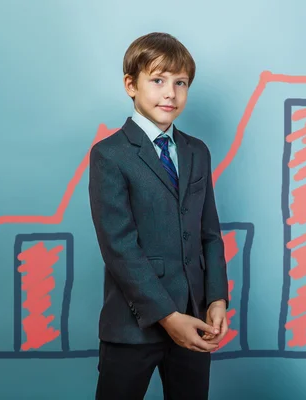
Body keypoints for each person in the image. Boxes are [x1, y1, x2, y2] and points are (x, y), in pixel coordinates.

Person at [88, 32, 229, 400]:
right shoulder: (110, 154)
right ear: (130, 85)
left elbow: (209, 234)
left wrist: (216, 299)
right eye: (158, 80)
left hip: (194, 317)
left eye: (180, 83)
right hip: (132, 325)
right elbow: (119, 247)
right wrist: (168, 317)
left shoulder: (197, 151)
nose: (171, 93)